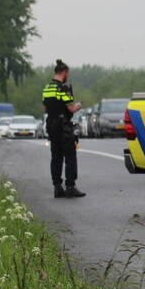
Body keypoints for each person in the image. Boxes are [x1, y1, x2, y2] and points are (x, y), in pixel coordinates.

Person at [42, 59, 86, 198]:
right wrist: (78, 105)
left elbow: (45, 109)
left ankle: (57, 187)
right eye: (67, 74)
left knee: (56, 157)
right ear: (64, 73)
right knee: (70, 156)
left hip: (51, 126)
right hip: (63, 127)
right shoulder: (63, 88)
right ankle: (70, 187)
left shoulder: (47, 88)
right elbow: (71, 108)